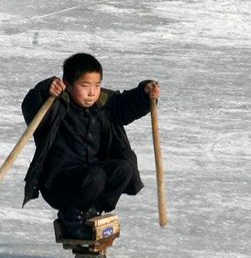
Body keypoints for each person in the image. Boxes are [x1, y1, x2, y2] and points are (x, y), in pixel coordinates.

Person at [21, 53, 160, 239]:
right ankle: (71, 216)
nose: (92, 92)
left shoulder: (103, 106)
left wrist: (145, 92)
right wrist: (47, 89)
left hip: (90, 179)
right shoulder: (56, 106)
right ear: (68, 85)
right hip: (59, 183)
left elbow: (126, 104)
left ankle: (92, 211)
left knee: (124, 169)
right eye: (84, 86)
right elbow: (32, 106)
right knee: (94, 175)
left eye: (97, 85)